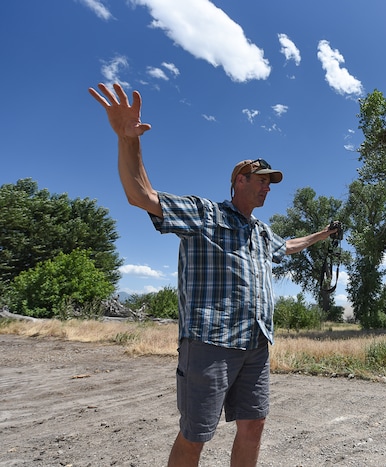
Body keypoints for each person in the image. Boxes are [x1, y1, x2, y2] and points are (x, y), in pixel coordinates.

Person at [88, 82, 337, 467]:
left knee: (254, 425)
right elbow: (141, 196)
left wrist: (321, 235)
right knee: (196, 435)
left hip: (255, 341)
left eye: (270, 184)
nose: (266, 188)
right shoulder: (206, 215)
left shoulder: (260, 231)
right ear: (239, 179)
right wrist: (128, 140)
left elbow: (287, 245)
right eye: (260, 180)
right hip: (209, 342)